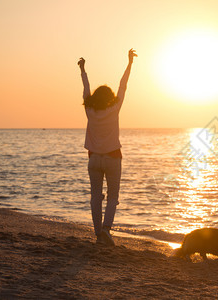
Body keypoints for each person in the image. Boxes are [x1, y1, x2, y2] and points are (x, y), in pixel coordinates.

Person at [78, 49, 137, 246]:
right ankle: (106, 230)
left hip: (94, 159)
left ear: (95, 97)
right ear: (110, 97)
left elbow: (85, 89)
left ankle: (97, 233)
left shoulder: (89, 109)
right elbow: (123, 85)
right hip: (113, 157)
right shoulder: (114, 108)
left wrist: (83, 70)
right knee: (113, 197)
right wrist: (129, 63)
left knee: (95, 196)